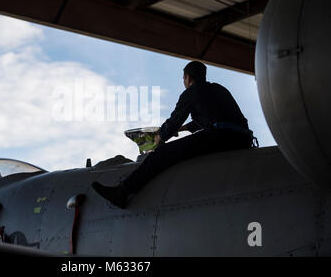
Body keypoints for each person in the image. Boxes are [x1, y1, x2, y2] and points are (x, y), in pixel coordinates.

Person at [91, 61, 255, 209]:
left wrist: (160, 137)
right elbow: (206, 119)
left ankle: (122, 192)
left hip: (220, 137)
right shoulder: (219, 89)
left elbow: (174, 120)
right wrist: (182, 129)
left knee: (162, 153)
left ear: (188, 78)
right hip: (242, 138)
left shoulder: (190, 93)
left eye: (183, 78)